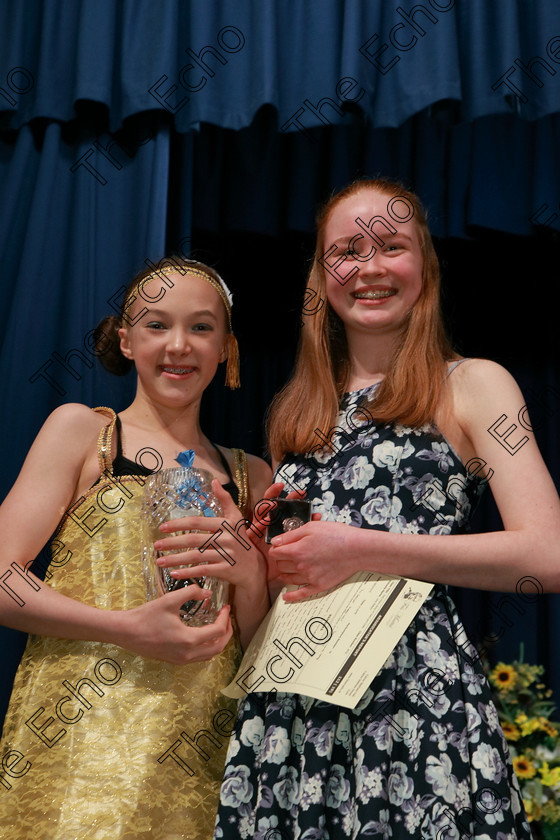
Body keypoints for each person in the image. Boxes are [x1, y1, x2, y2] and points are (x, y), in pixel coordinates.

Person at [213, 179, 560, 839]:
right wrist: (252, 563)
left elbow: (548, 555)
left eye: (390, 246)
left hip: (411, 703)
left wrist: (360, 548)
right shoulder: (296, 410)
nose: (369, 267)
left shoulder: (474, 384)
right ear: (322, 276)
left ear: (424, 267)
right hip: (293, 712)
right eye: (347, 250)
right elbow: (288, 583)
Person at [0, 258, 272, 839]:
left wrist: (250, 577)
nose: (179, 345)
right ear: (125, 340)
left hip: (203, 753)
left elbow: (264, 648)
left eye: (201, 327)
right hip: (78, 743)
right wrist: (125, 627)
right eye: (156, 324)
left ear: (227, 347)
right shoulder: (83, 434)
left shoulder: (251, 476)